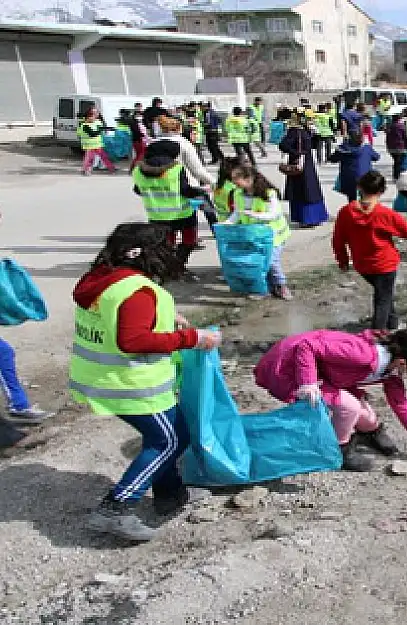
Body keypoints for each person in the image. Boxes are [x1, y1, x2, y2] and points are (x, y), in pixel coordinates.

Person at [71, 222, 222, 541]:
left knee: (171, 432)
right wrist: (191, 338)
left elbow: (124, 319)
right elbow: (133, 339)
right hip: (131, 383)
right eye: (165, 248)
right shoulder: (138, 290)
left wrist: (169, 319)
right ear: (146, 254)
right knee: (168, 440)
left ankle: (170, 496)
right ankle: (115, 508)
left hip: (101, 377)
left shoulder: (101, 278)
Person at [253, 329, 407, 472]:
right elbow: (307, 347)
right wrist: (309, 382)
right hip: (288, 367)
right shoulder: (363, 355)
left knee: (368, 417)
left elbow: (400, 402)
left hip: (324, 372)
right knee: (349, 406)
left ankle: (369, 433)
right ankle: (339, 450)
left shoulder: (392, 368)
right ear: (404, 362)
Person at [332, 171, 407, 330]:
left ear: (359, 187)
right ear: (382, 191)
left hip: (362, 265)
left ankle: (393, 324)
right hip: (384, 264)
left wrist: (343, 261)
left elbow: (338, 239)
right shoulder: (384, 214)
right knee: (382, 298)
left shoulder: (346, 212)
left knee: (384, 294)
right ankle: (377, 335)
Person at [132, 140, 207, 281]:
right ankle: (178, 268)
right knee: (189, 241)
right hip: (182, 214)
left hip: (156, 215)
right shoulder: (176, 169)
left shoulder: (137, 170)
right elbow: (185, 190)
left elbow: (137, 190)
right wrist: (200, 192)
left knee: (167, 244)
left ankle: (166, 268)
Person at [226, 165, 293, 300]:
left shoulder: (269, 194)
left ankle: (281, 286)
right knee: (259, 262)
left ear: (249, 178)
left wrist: (253, 214)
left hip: (274, 236)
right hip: (254, 236)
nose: (233, 182)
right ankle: (264, 289)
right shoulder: (238, 194)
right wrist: (227, 223)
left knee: (271, 262)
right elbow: (237, 214)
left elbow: (274, 214)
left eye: (236, 179)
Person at [280, 111, 328, 228]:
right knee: (307, 190)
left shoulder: (303, 131)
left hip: (304, 163)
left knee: (305, 190)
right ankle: (309, 218)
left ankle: (309, 218)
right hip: (302, 164)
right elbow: (284, 145)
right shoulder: (297, 131)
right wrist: (298, 152)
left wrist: (315, 134)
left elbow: (312, 145)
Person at [329, 131, 381, 203]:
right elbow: (377, 157)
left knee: (351, 198)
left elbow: (332, 159)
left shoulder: (342, 149)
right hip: (366, 177)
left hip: (349, 178)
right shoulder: (366, 148)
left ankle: (353, 210)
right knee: (365, 195)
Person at [78, 107, 116, 176]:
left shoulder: (97, 122)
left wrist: (111, 129)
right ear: (88, 117)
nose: (94, 117)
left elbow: (101, 128)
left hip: (98, 144)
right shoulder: (84, 125)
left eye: (95, 115)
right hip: (89, 145)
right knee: (89, 158)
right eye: (93, 116)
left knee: (104, 157)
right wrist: (100, 131)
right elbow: (92, 134)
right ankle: (85, 170)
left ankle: (111, 169)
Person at [385, 114, 407, 181]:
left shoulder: (389, 126)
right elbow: (406, 137)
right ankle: (398, 176)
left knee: (397, 161)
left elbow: (387, 137)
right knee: (399, 162)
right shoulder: (401, 126)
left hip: (391, 148)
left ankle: (396, 176)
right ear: (399, 119)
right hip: (400, 147)